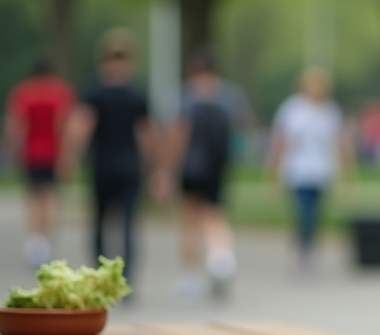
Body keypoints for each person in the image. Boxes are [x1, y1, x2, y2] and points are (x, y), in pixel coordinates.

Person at [155, 47, 251, 301]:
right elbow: (240, 126)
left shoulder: (184, 96)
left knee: (188, 221)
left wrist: (166, 170)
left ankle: (190, 278)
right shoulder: (230, 95)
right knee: (215, 214)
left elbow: (178, 134)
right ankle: (221, 259)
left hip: (191, 167)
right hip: (217, 166)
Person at [60, 30, 155, 281]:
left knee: (100, 220)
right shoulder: (137, 92)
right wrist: (155, 168)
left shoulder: (94, 90)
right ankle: (126, 276)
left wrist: (69, 156)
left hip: (102, 164)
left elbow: (82, 126)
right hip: (129, 165)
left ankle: (101, 273)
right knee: (127, 223)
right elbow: (146, 134)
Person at [266, 67, 354, 271]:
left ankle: (308, 247)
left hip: (321, 172)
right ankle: (303, 251)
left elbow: (339, 142)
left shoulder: (330, 111)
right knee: (303, 213)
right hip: (297, 171)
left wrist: (347, 172)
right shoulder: (291, 109)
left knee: (314, 215)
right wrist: (273, 171)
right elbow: (281, 141)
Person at [5, 59, 76, 267]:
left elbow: (17, 124)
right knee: (50, 197)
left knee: (33, 197)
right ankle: (45, 241)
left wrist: (10, 151)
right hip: (53, 153)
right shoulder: (60, 92)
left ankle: (34, 242)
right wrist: (68, 155)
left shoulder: (24, 92)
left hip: (31, 153)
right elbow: (65, 125)